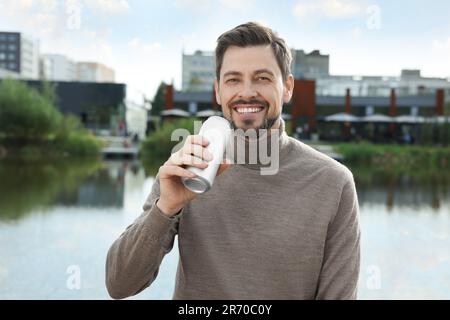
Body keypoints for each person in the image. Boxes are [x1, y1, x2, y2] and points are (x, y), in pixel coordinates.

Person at [106, 22, 360, 300]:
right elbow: (119, 285)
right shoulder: (187, 166)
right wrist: (165, 208)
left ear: (287, 87)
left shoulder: (333, 183)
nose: (247, 92)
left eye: (262, 78)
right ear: (218, 91)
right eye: (233, 79)